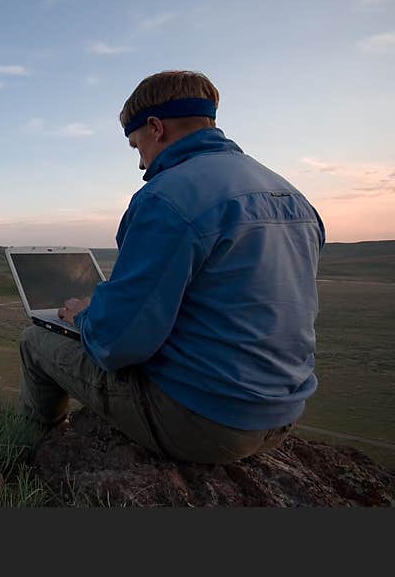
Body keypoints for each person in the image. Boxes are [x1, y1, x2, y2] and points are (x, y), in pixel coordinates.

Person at [19, 70, 325, 464]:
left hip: (204, 423)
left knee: (34, 342)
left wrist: (85, 317)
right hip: (282, 415)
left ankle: (32, 460)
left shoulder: (166, 197)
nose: (140, 160)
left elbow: (118, 345)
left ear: (155, 127)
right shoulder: (290, 194)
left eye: (136, 146)